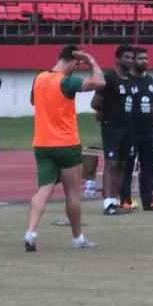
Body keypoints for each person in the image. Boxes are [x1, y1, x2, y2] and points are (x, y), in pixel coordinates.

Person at [25, 45, 105, 252]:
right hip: (66, 143)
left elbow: (34, 100)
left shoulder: (39, 78)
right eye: (78, 65)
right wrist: (92, 61)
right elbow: (99, 82)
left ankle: (31, 232)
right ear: (75, 61)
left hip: (42, 143)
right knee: (72, 194)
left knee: (44, 189)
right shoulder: (66, 81)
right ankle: (77, 238)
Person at [119, 47, 153, 212]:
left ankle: (149, 201)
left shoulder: (150, 80)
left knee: (149, 167)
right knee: (127, 167)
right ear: (133, 61)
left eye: (146, 58)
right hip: (131, 131)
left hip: (149, 131)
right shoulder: (127, 80)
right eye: (140, 59)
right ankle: (125, 201)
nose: (144, 61)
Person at [91, 45, 136, 216]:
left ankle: (114, 200)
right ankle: (107, 202)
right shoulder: (109, 77)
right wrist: (107, 113)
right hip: (112, 127)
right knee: (111, 163)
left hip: (128, 128)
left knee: (123, 164)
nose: (129, 61)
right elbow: (95, 103)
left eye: (131, 58)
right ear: (117, 59)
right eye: (126, 57)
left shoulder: (131, 80)